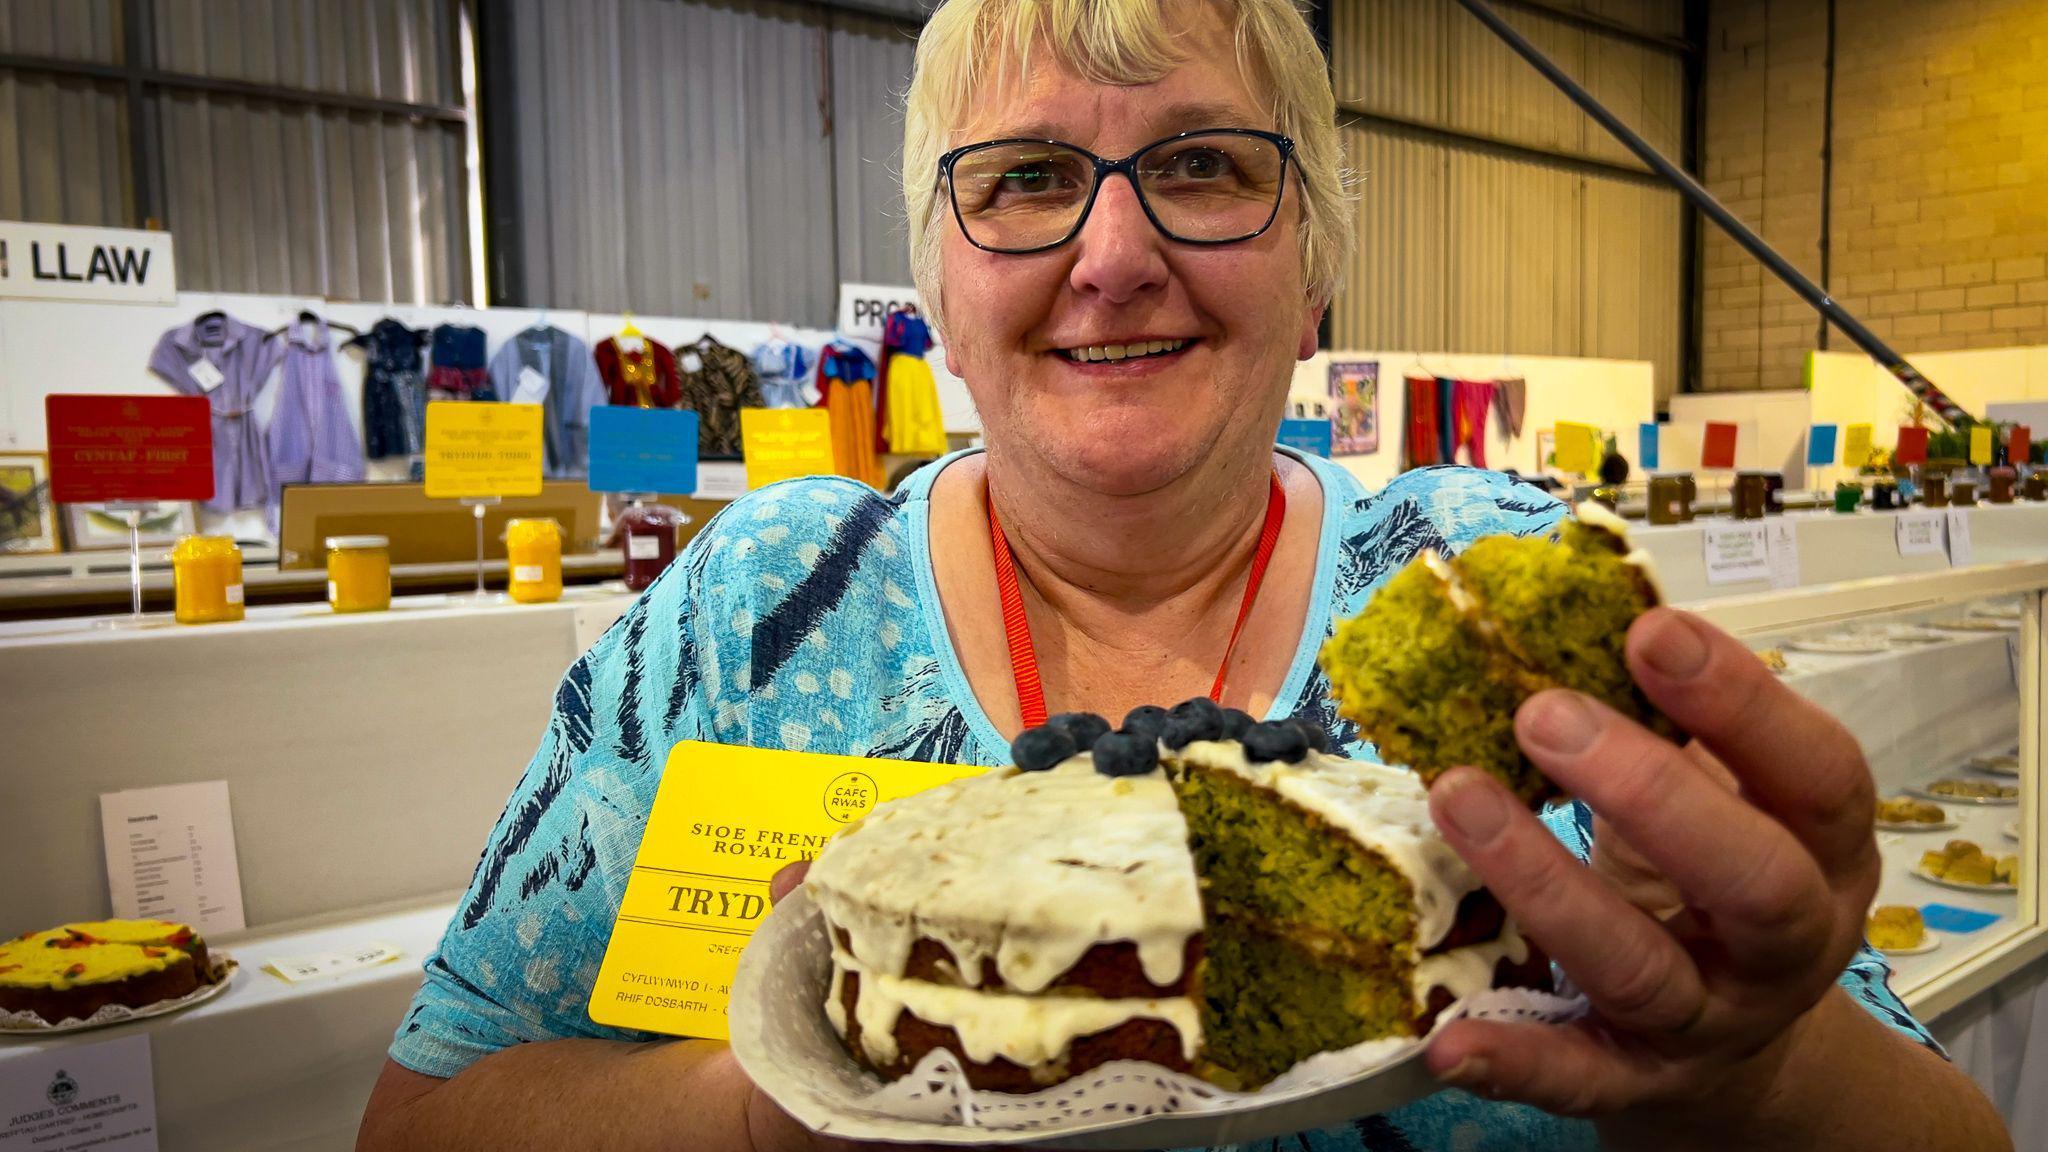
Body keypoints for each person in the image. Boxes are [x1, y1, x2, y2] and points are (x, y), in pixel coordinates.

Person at [357, 0, 2010, 1148]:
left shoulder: (1492, 596)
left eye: (1208, 164)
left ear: (1320, 273)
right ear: (933, 280)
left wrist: (1753, 1079)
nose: (1116, 254)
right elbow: (424, 1121)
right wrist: (761, 1115)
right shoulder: (750, 616)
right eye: (1024, 180)